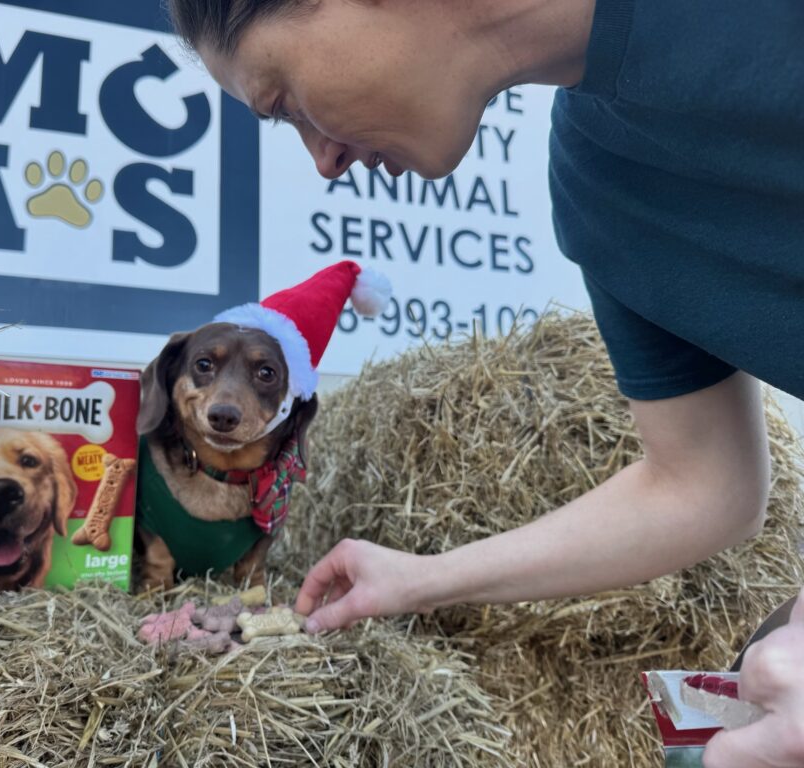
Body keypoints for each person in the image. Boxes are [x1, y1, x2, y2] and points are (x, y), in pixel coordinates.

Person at [165, 1, 804, 766]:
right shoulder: (597, 191)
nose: (322, 162)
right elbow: (703, 485)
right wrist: (417, 580)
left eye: (286, 102)